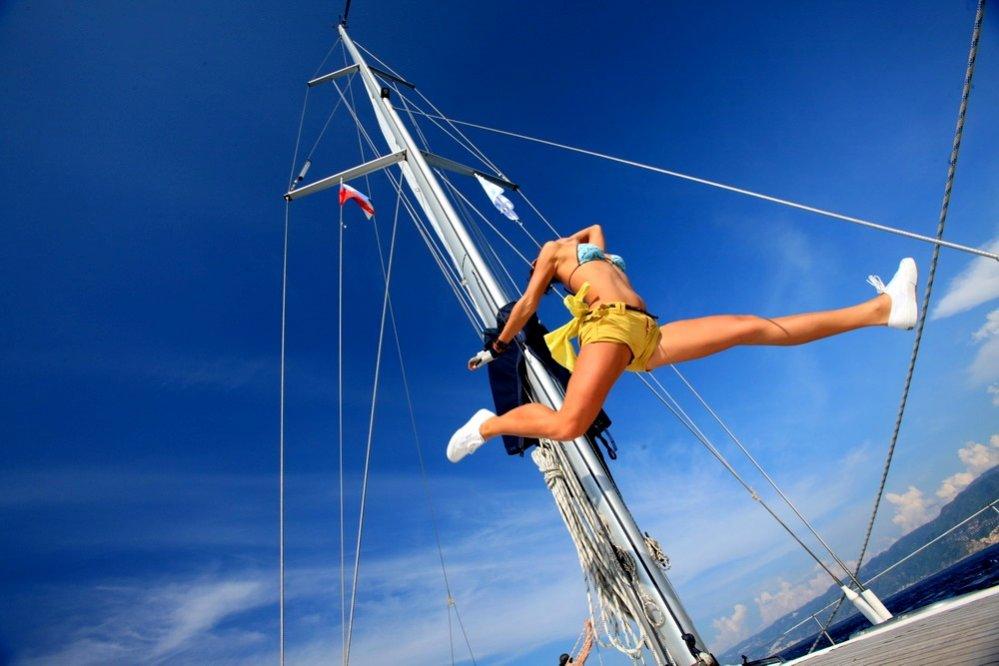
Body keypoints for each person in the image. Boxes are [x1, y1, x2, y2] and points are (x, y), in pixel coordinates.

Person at [447, 224, 918, 462]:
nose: (539, 269)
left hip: (645, 333)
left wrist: (571, 241)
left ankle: (881, 310)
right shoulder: (552, 257)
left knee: (748, 326)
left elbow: (593, 228)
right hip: (608, 328)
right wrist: (498, 346)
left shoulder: (583, 250)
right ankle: (488, 425)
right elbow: (527, 305)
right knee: (570, 423)